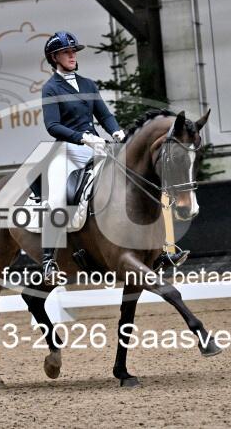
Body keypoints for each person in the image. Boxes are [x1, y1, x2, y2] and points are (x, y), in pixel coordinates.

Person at [37, 31, 190, 282]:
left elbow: (104, 114)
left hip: (97, 147)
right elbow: (52, 126)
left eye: (74, 51)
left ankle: (160, 250)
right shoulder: (50, 88)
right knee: (57, 198)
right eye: (66, 52)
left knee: (134, 185)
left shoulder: (87, 84)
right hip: (67, 150)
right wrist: (83, 137)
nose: (72, 56)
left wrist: (116, 131)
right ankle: (48, 262)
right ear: (54, 57)